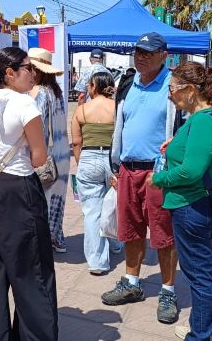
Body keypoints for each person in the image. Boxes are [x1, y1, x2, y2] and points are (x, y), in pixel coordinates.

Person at [0, 47, 57, 340]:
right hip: (18, 190)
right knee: (32, 274)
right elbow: (39, 157)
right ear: (10, 73)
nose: (34, 74)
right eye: (29, 68)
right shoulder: (25, 105)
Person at [148, 62, 212, 341]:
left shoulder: (204, 121)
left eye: (172, 88)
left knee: (199, 276)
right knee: (205, 271)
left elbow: (191, 171)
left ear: (192, 91)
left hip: (191, 207)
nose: (169, 94)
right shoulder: (208, 119)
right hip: (198, 205)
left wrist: (158, 179)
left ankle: (201, 335)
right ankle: (209, 327)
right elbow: (197, 152)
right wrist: (175, 143)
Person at [103, 32, 180, 325]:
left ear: (164, 54)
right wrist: (115, 164)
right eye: (138, 51)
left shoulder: (173, 86)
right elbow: (120, 125)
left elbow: (184, 125)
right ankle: (131, 283)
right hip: (127, 169)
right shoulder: (127, 83)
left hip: (159, 172)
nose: (141, 56)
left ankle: (168, 291)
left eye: (148, 52)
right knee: (131, 231)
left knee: (163, 235)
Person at [71, 71, 123, 275]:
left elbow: (76, 141)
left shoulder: (82, 110)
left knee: (92, 211)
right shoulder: (118, 108)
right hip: (112, 158)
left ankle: (97, 262)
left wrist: (80, 161)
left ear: (93, 87)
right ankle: (116, 243)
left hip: (89, 158)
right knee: (115, 203)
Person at [28, 47, 71, 254]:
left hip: (45, 157)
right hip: (61, 156)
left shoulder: (39, 93)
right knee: (56, 198)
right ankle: (56, 237)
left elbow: (39, 130)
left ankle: (42, 242)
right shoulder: (56, 91)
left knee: (40, 200)